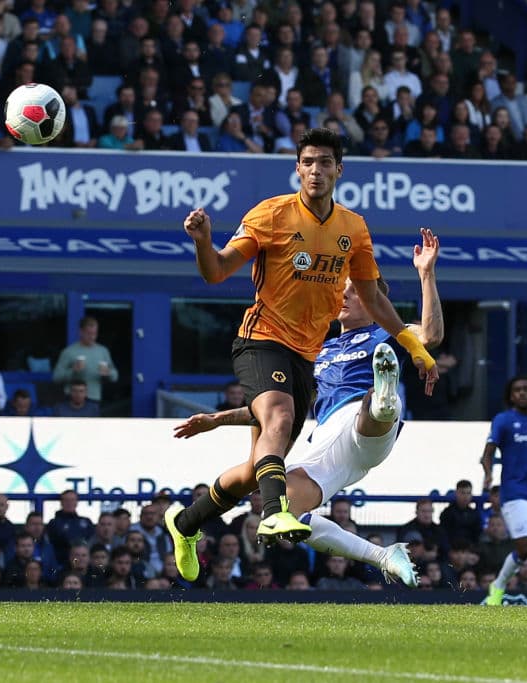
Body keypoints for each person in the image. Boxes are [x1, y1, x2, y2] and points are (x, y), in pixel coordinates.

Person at [166, 129, 439, 574]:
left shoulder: (353, 228)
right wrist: (202, 242)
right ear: (298, 168)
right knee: (280, 418)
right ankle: (275, 513)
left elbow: (373, 300)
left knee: (257, 467)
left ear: (338, 170)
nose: (316, 170)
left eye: (325, 162)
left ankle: (185, 522)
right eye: (308, 161)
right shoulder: (270, 214)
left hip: (306, 357)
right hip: (261, 337)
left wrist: (416, 348)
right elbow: (216, 272)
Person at [481, 375, 527, 606]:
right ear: (511, 396)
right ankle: (498, 586)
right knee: (525, 549)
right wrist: (488, 475)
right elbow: (488, 453)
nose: (521, 393)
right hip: (514, 494)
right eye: (516, 390)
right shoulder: (504, 420)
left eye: (526, 389)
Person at [52, 316, 118, 404]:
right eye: (89, 333)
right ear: (81, 332)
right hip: (72, 400)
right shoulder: (69, 352)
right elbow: (56, 378)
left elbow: (115, 377)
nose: (92, 337)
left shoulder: (103, 351)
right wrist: (73, 370)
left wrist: (108, 372)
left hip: (94, 398)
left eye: (94, 334)